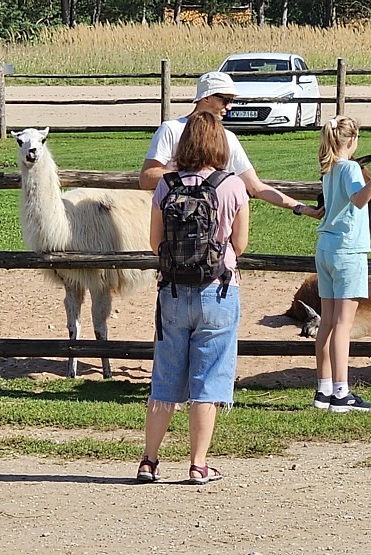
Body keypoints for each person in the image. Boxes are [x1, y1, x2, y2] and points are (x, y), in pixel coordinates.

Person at [137, 111, 249, 483]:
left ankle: (149, 461)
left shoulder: (166, 185)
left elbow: (155, 243)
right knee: (209, 379)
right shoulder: (231, 185)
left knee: (165, 378)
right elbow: (241, 243)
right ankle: (198, 464)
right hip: (217, 290)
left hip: (171, 291)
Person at [139, 71, 322, 219]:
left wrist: (301, 208)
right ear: (206, 98)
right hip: (173, 224)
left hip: (213, 230)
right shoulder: (170, 129)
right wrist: (196, 176)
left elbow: (255, 187)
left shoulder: (228, 138)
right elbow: (147, 177)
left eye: (232, 101)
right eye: (225, 100)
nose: (229, 106)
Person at [312, 116, 371, 413]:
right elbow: (360, 199)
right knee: (342, 324)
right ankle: (341, 393)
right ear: (352, 140)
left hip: (325, 247)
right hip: (348, 250)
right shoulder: (350, 167)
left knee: (327, 321)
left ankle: (324, 389)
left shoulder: (328, 169)